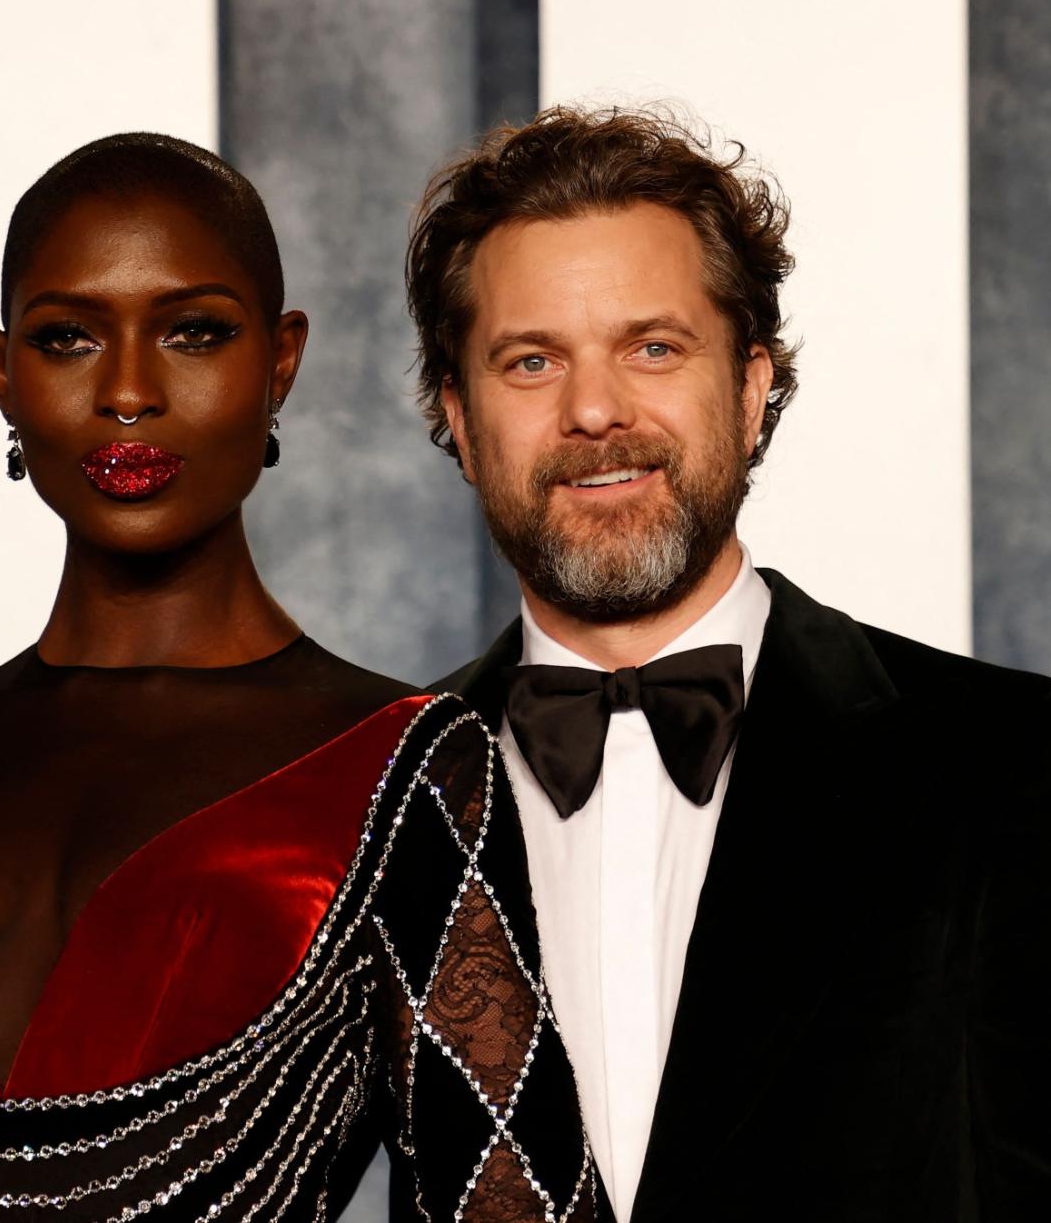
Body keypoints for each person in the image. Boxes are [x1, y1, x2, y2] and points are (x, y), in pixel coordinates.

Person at [0, 134, 592, 1221]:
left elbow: (516, 1199)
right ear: (2, 372)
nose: (129, 391)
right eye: (69, 337)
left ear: (279, 362)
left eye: (193, 333)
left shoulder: (406, 765)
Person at [409, 106, 1051, 1222]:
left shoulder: (1013, 765)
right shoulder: (376, 797)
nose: (595, 410)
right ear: (458, 419)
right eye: (531, 361)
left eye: (653, 347)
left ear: (753, 388)